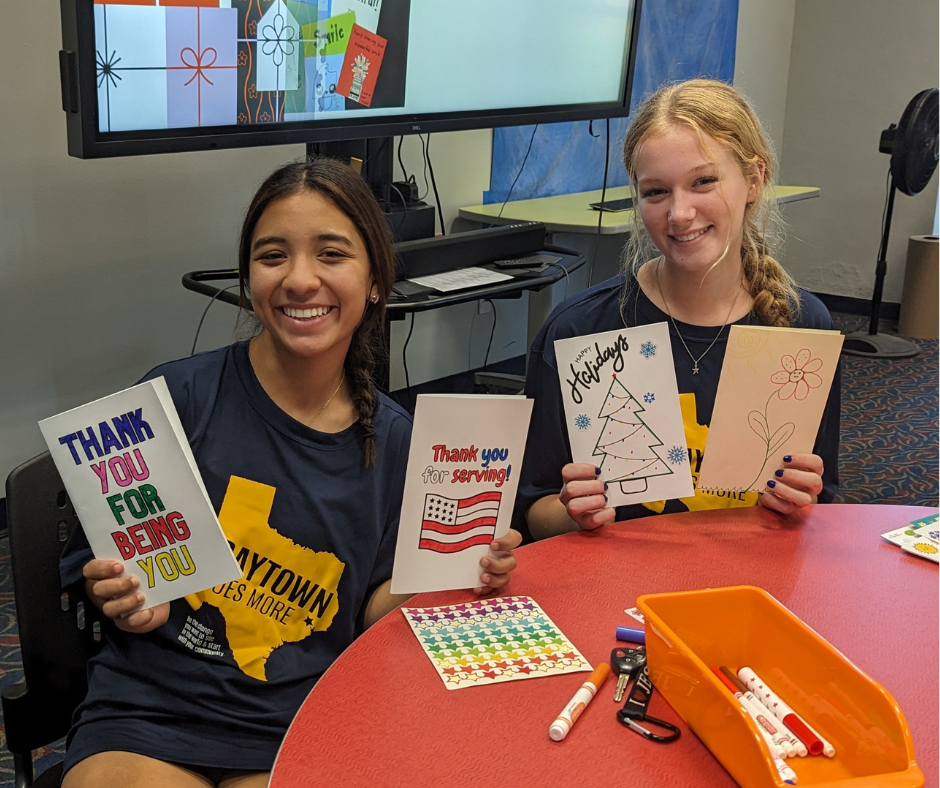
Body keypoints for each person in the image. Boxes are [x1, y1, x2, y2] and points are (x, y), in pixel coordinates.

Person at [60, 158, 522, 788]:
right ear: (249, 277)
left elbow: (370, 613)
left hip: (299, 722)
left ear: (376, 281)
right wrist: (116, 592)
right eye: (273, 256)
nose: (301, 280)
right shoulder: (176, 399)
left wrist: (456, 569)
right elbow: (100, 562)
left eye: (331, 254)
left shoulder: (398, 443)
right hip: (150, 717)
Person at [517, 79, 840, 542]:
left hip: (750, 577)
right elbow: (533, 513)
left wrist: (801, 503)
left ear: (754, 180)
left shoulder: (804, 328)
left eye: (703, 181)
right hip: (619, 579)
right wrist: (574, 514)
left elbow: (824, 502)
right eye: (656, 192)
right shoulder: (580, 330)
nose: (680, 213)